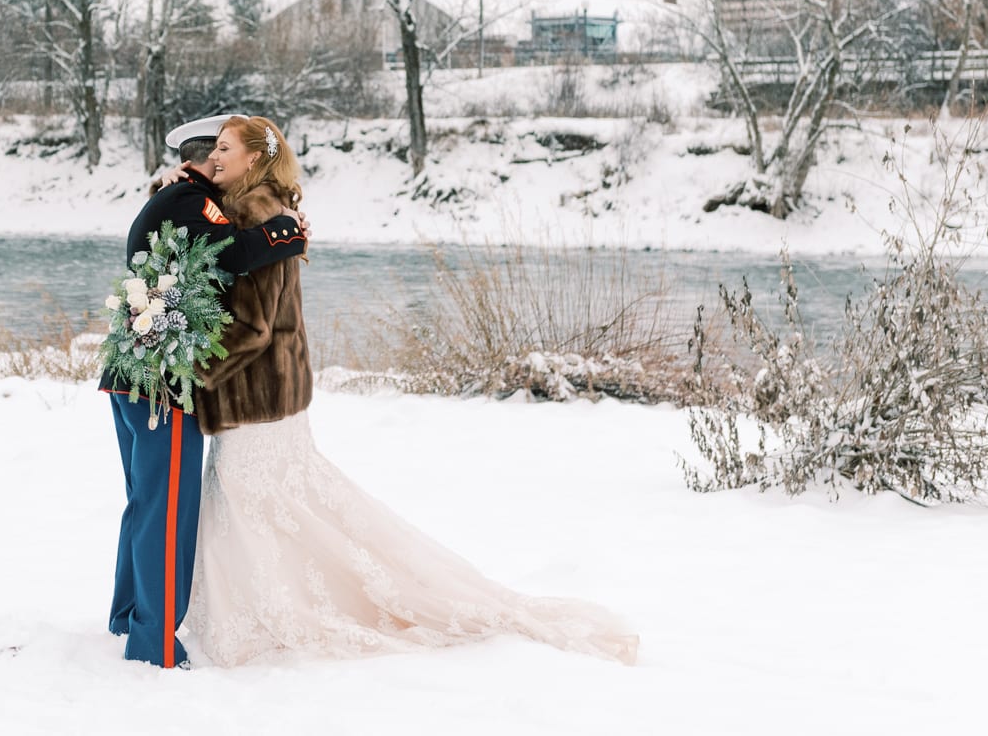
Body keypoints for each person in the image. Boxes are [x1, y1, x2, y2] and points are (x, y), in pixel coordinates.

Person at [181, 115, 640, 668]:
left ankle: (273, 615)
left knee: (258, 504)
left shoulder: (255, 212)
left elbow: (251, 326)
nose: (214, 157)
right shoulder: (267, 209)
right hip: (272, 397)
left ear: (253, 158)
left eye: (225, 149)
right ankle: (270, 607)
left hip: (255, 396)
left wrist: (188, 370)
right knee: (278, 508)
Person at [102, 114, 309, 670]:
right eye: (215, 155)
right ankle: (155, 645)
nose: (221, 165)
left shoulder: (176, 198)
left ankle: (127, 616)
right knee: (167, 512)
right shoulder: (192, 202)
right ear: (203, 162)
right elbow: (234, 253)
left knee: (146, 506)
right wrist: (287, 231)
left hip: (135, 376)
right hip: (162, 383)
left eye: (226, 153)